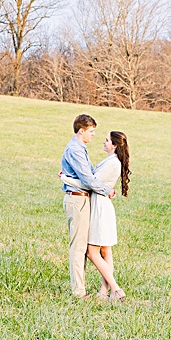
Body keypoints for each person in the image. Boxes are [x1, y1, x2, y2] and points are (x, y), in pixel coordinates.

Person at [61, 130, 130, 302]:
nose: (103, 142)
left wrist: (66, 179)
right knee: (105, 250)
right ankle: (103, 292)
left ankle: (115, 289)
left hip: (99, 206)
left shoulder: (112, 163)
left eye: (107, 140)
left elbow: (90, 183)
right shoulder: (112, 160)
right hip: (101, 204)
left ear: (114, 145)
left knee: (92, 252)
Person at [60, 114, 114, 298]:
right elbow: (87, 178)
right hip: (77, 200)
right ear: (81, 131)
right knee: (78, 247)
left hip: (82, 199)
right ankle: (78, 292)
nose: (93, 135)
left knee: (82, 247)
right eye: (91, 131)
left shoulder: (80, 148)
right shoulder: (75, 149)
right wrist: (106, 190)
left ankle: (80, 289)